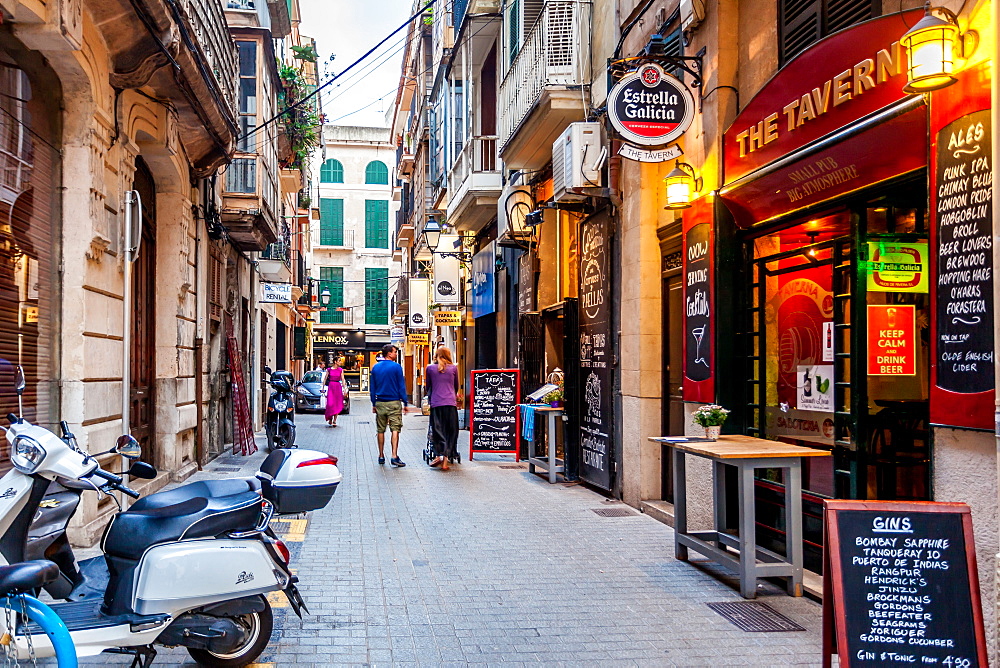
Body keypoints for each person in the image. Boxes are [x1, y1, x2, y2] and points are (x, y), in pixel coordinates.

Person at [370, 344, 407, 467]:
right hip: (394, 402)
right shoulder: (397, 367)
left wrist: (373, 403)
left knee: (380, 430)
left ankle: (381, 456)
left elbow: (373, 388)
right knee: (395, 429)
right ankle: (394, 456)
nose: (396, 354)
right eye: (395, 352)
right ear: (389, 354)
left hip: (380, 402)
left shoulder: (375, 368)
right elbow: (401, 386)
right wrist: (405, 401)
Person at [425, 346, 459, 470]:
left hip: (436, 403)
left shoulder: (430, 368)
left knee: (438, 430)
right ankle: (445, 460)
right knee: (451, 431)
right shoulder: (453, 368)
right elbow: (456, 386)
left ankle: (438, 455)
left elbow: (428, 386)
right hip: (450, 403)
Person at [323, 357, 345, 427]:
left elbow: (343, 379)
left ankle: (334, 420)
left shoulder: (341, 370)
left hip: (338, 387)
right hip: (331, 386)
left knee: (337, 404)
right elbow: (325, 379)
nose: (340, 362)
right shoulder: (329, 370)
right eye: (339, 361)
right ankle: (330, 417)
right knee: (330, 404)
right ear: (335, 362)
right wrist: (323, 387)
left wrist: (344, 388)